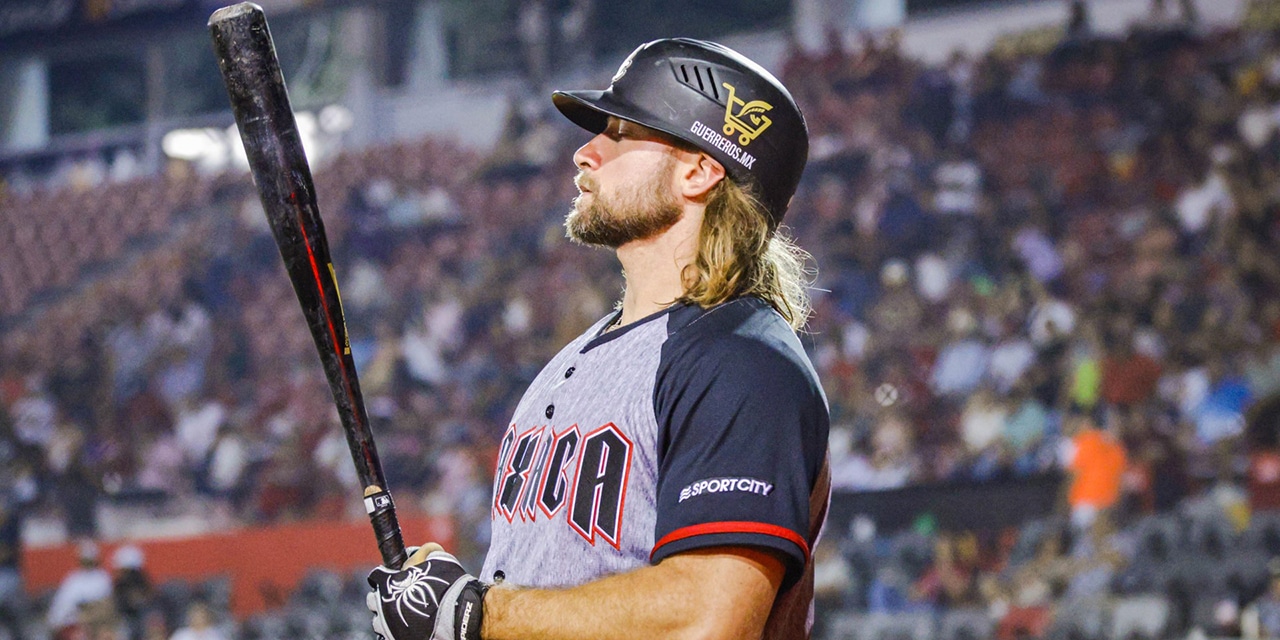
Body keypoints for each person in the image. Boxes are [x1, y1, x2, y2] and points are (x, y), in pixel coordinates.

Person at [366, 38, 830, 640]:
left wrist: (476, 613)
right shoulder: (577, 357)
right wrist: (446, 613)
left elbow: (708, 619)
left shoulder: (744, 360)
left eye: (619, 133)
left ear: (698, 171)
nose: (585, 153)